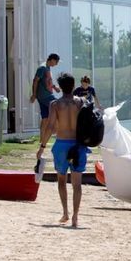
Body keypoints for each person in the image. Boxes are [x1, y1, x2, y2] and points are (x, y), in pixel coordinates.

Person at [35, 72, 87, 228]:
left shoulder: (55, 104)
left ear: (61, 87)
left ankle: (65, 213)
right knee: (77, 184)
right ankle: (75, 216)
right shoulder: (81, 102)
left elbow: (50, 126)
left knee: (62, 181)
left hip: (61, 145)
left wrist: (42, 146)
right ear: (73, 85)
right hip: (78, 145)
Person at [29, 53, 60, 136]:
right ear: (52, 60)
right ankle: (57, 134)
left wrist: (54, 87)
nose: (56, 64)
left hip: (44, 96)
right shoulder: (42, 68)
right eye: (56, 62)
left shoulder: (47, 67)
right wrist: (34, 94)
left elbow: (47, 81)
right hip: (45, 96)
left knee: (45, 118)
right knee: (60, 108)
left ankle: (42, 140)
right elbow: (35, 81)